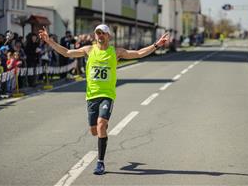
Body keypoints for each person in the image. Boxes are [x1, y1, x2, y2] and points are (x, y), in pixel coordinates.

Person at [39, 24, 169, 175]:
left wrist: (156, 45)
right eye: (98, 33)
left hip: (107, 95)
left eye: (103, 33)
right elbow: (67, 53)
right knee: (94, 131)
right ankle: (102, 127)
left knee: (101, 125)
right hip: (91, 96)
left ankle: (100, 162)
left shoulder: (116, 52)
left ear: (109, 36)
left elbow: (139, 53)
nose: (100, 36)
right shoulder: (89, 50)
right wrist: (49, 41)